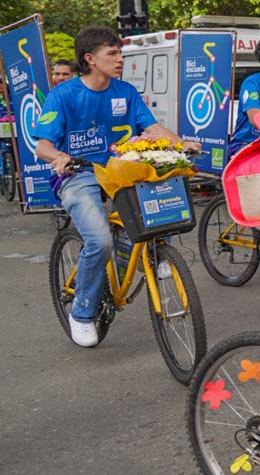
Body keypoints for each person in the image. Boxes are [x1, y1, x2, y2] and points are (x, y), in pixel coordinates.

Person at [33, 27, 200, 347]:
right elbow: (42, 146)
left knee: (160, 201)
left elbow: (150, 127)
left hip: (122, 171)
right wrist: (60, 156)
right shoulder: (63, 95)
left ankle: (151, 255)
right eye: (113, 54)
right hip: (80, 175)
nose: (120, 60)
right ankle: (82, 312)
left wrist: (182, 143)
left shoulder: (125, 91)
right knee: (98, 239)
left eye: (120, 53)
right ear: (89, 59)